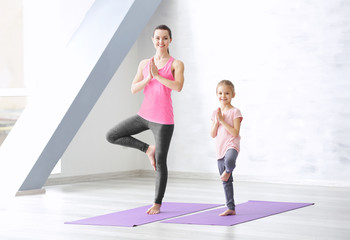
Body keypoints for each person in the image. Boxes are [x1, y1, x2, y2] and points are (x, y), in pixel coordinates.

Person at [106, 25, 184, 215]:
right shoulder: (144, 63)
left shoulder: (176, 64)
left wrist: (158, 76)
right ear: (153, 39)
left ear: (170, 40)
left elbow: (178, 86)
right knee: (112, 135)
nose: (161, 42)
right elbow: (134, 88)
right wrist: (149, 78)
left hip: (164, 120)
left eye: (165, 38)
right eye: (157, 38)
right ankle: (147, 149)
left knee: (161, 161)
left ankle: (157, 203)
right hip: (144, 116)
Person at [210, 80, 243, 216]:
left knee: (229, 162)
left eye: (227, 93)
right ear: (216, 94)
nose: (223, 96)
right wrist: (217, 121)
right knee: (226, 181)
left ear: (233, 95)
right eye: (220, 93)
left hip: (232, 145)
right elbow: (212, 134)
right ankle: (231, 208)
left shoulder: (235, 112)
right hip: (220, 148)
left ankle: (228, 170)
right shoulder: (215, 112)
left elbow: (235, 132)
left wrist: (223, 121)